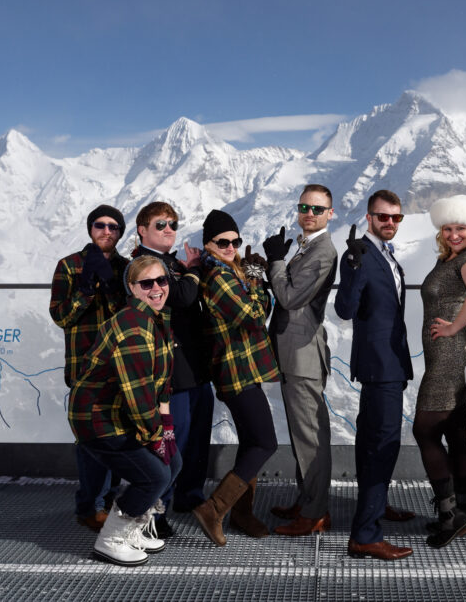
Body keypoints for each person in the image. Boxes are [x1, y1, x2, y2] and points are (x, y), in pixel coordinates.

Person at [67, 254, 180, 566]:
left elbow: (160, 383)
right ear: (132, 287)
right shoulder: (135, 327)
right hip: (99, 419)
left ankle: (132, 527)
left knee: (174, 462)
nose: (157, 288)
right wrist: (155, 435)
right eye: (147, 283)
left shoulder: (155, 319)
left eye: (162, 280)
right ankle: (112, 538)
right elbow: (139, 394)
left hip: (116, 413)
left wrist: (166, 429)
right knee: (154, 475)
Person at [334, 190, 415, 561]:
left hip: (388, 364)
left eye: (396, 218)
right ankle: (365, 534)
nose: (390, 223)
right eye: (383, 217)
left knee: (372, 440)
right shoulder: (361, 256)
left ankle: (375, 507)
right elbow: (345, 309)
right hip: (380, 366)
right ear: (369, 218)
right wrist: (350, 267)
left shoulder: (386, 255)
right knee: (382, 445)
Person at [193, 210, 279, 547]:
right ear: (209, 245)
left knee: (251, 441)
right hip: (236, 370)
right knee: (265, 442)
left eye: (235, 241)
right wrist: (257, 281)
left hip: (244, 369)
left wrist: (251, 278)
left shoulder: (230, 271)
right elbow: (254, 316)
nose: (231, 247)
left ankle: (243, 513)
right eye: (222, 242)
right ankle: (214, 508)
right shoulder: (219, 277)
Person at [130, 202, 214, 537]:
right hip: (169, 371)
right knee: (169, 442)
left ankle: (189, 496)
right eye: (161, 224)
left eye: (173, 224)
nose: (169, 229)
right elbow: (181, 296)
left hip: (193, 365)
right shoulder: (142, 263)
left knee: (195, 438)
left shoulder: (170, 263)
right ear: (142, 229)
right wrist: (192, 269)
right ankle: (155, 511)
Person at [414, 195, 466, 548]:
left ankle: (450, 515)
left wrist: (452, 327)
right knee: (456, 433)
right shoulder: (452, 258)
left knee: (425, 430)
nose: (454, 234)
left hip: (450, 354)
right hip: (451, 354)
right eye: (448, 228)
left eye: (460, 228)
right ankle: (465, 513)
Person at [262, 185, 338, 536]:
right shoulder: (307, 245)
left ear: (330, 214)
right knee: (301, 435)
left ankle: (314, 512)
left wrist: (275, 261)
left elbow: (290, 298)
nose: (310, 213)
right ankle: (307, 500)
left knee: (310, 437)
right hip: (294, 352)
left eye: (318, 209)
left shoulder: (323, 250)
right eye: (304, 206)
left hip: (303, 355)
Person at [49, 204, 130, 532]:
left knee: (119, 439)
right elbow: (60, 316)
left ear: (120, 232)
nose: (106, 231)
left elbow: (130, 316)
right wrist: (86, 288)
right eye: (100, 225)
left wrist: (111, 285)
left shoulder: (127, 267)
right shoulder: (69, 266)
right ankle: (90, 506)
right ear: (90, 228)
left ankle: (109, 501)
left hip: (121, 369)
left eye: (113, 226)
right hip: (85, 370)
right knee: (91, 442)